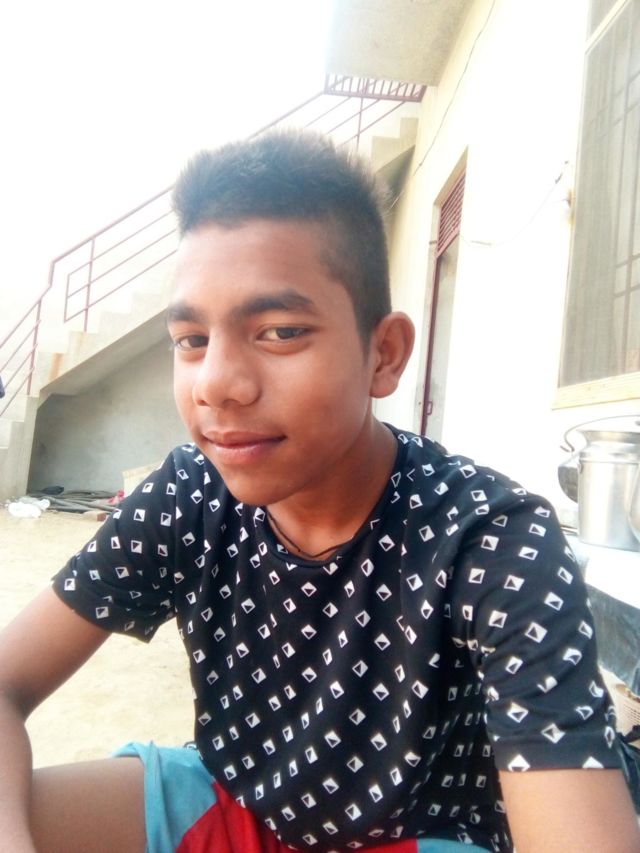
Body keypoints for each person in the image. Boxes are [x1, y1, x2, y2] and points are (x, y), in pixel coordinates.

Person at [0, 131, 638, 853]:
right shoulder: (190, 495)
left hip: (417, 838)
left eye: (278, 331)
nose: (216, 384)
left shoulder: (489, 541)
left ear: (383, 354)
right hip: (241, 807)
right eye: (192, 339)